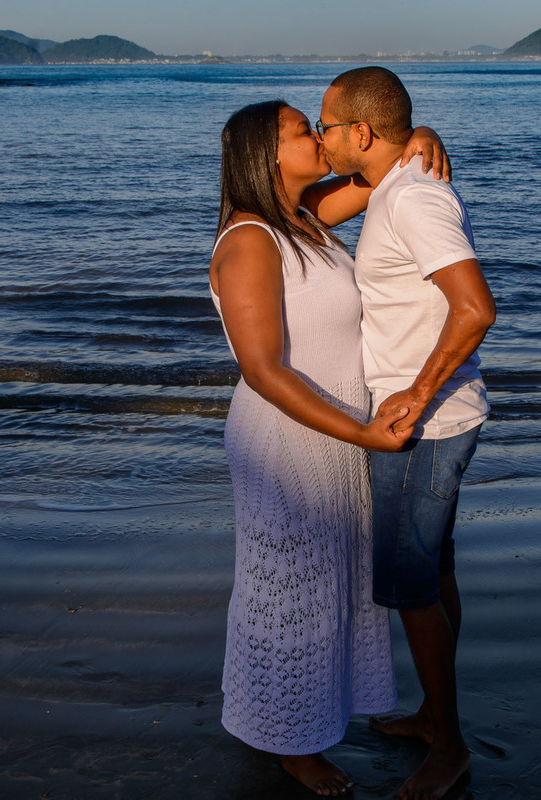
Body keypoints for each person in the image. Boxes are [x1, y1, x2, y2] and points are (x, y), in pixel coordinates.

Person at [209, 99, 451, 797]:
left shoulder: (303, 217)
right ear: (267, 155)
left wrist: (420, 133)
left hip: (334, 425)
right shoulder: (250, 239)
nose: (318, 137)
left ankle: (306, 719)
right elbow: (264, 370)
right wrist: (364, 432)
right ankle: (290, 742)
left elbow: (380, 173)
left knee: (325, 583)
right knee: (288, 588)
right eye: (302, 131)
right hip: (288, 438)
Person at [316, 67, 496, 800]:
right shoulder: (394, 186)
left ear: (361, 132)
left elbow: (475, 307)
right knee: (433, 571)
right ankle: (433, 715)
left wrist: (417, 394)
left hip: (424, 425)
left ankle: (448, 747)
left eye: (327, 125)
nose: (322, 136)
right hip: (430, 421)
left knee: (412, 584)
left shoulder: (413, 197)